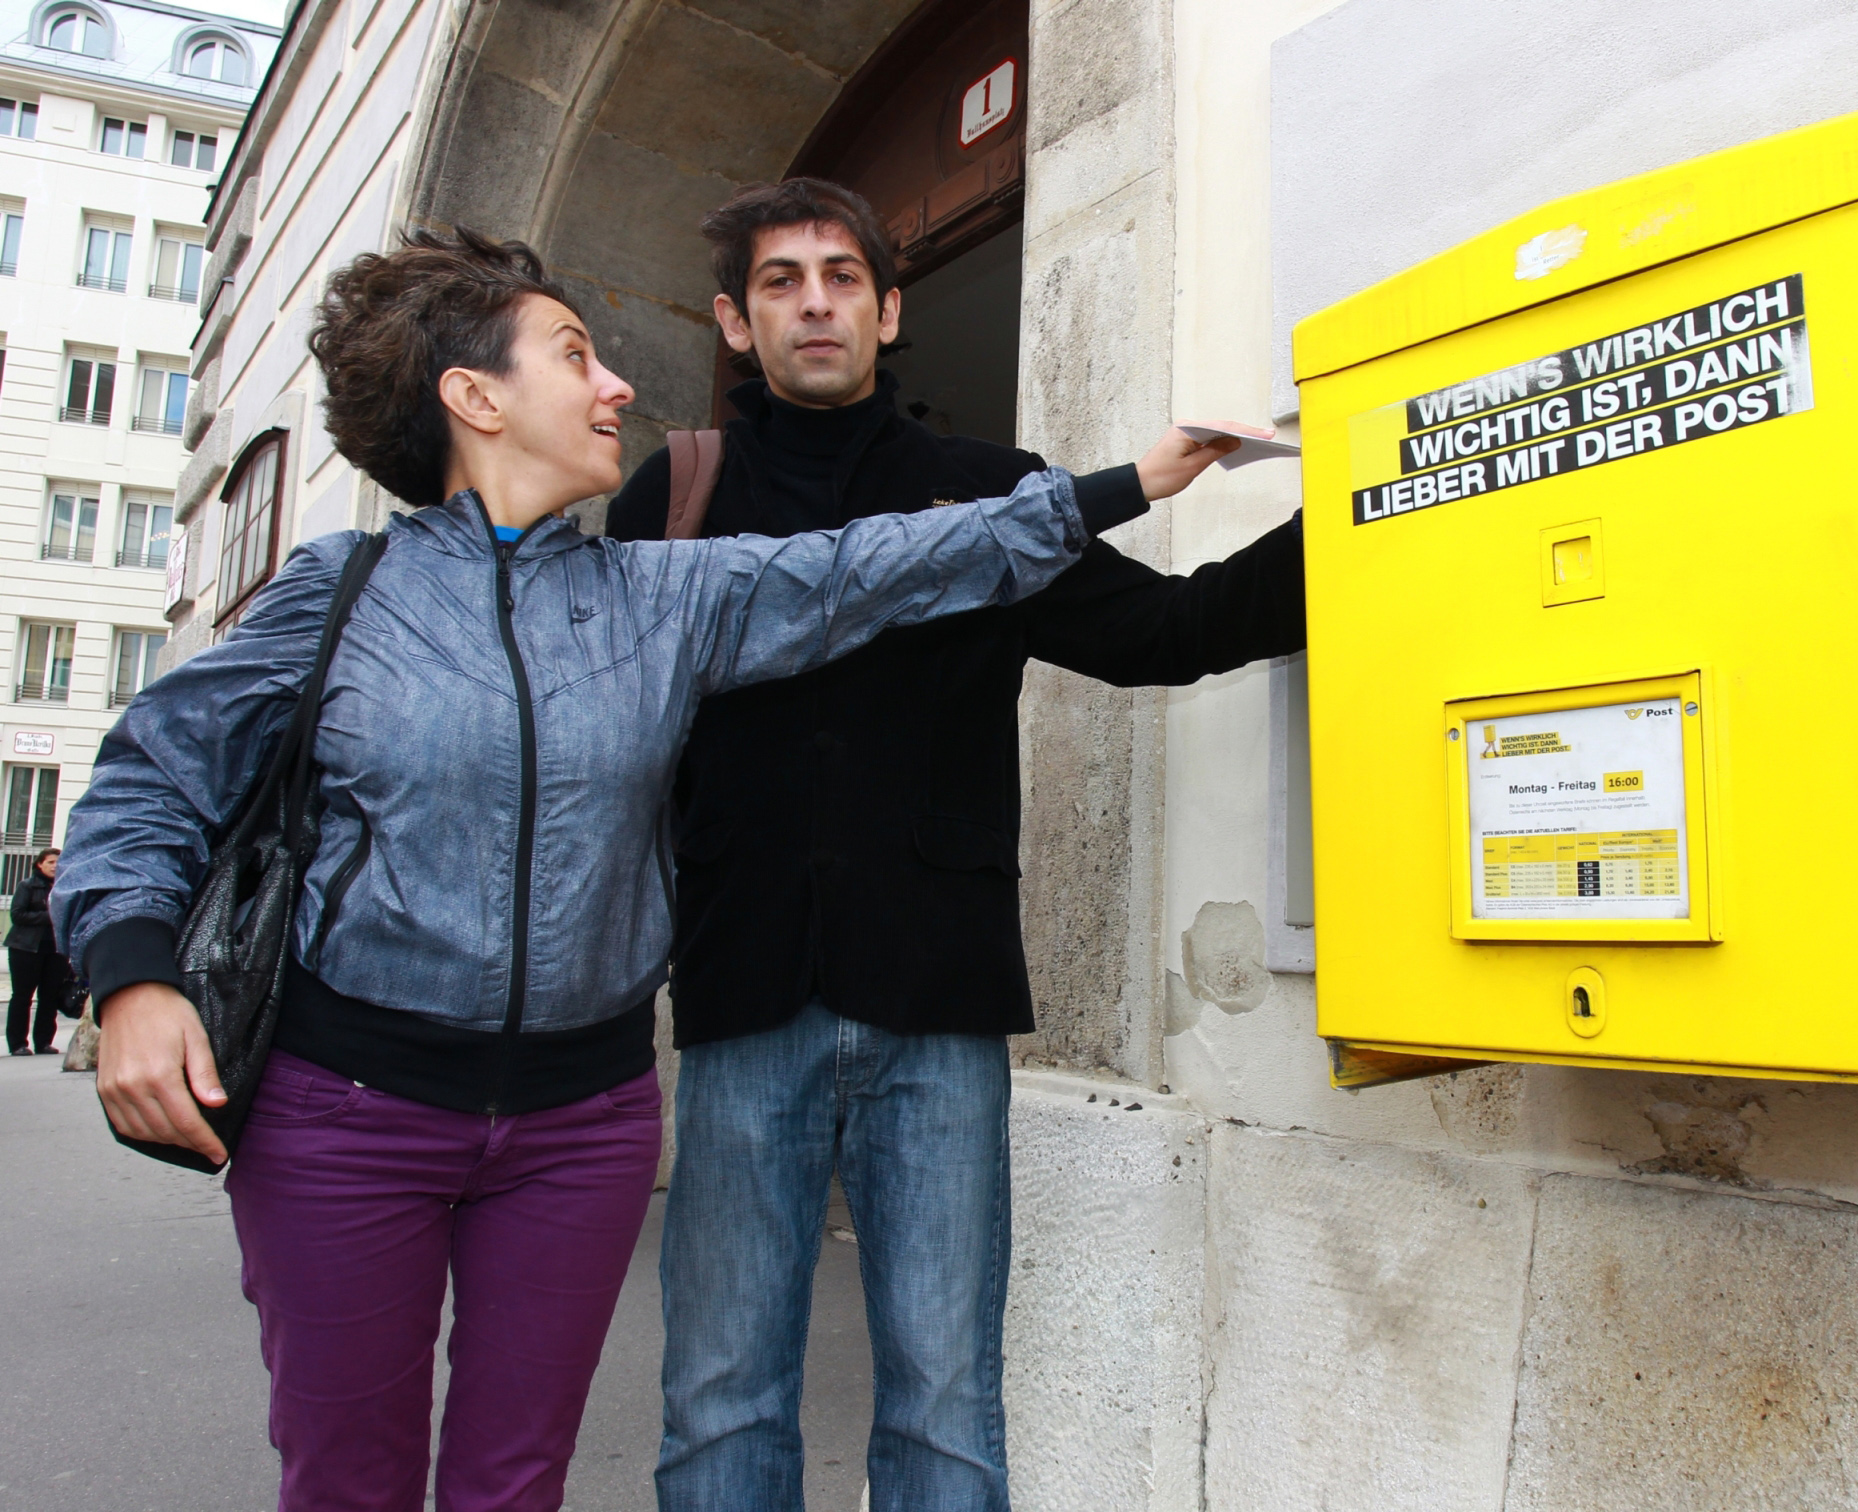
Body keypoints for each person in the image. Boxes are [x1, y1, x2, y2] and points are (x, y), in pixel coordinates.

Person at [48, 227, 1238, 1512]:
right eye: (576, 355)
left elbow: (874, 565)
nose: (618, 383)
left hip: (580, 1122)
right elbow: (155, 775)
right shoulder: (344, 591)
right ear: (475, 396)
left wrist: (1119, 486)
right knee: (350, 1482)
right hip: (348, 1111)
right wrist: (132, 975)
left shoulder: (658, 595)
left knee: (514, 1484)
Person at [606, 179, 1305, 1511]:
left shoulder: (990, 492)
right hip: (742, 994)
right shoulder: (676, 494)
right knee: (718, 1400)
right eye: (781, 282)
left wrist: (1379, 510)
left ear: (888, 309)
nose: (816, 303)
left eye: (843, 278)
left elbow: (1171, 631)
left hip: (937, 1001)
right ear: (736, 323)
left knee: (944, 1408)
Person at [6, 847, 66, 1054]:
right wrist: (51, 916)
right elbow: (18, 915)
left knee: (50, 996)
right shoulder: (27, 886)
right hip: (26, 948)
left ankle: (44, 1042)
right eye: (50, 862)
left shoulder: (64, 887)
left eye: (58, 862)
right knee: (22, 996)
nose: (55, 866)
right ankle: (18, 1044)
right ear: (40, 864)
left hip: (56, 949)